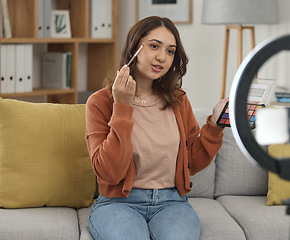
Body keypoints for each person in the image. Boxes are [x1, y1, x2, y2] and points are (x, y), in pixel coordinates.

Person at [85, 16, 228, 240]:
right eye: (154, 46)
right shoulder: (100, 102)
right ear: (134, 48)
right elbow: (109, 173)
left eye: (170, 51)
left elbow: (191, 162)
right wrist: (122, 107)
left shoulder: (178, 100)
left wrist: (215, 125)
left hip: (172, 203)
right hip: (119, 204)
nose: (162, 57)